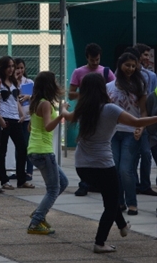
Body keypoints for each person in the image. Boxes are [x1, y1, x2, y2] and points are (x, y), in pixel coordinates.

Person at [65, 72, 157, 253]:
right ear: (102, 89)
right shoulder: (110, 109)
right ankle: (100, 243)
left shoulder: (82, 110)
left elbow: (67, 116)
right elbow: (137, 121)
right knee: (111, 203)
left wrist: (61, 108)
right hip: (103, 165)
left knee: (111, 198)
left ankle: (123, 227)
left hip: (81, 166)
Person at [69, 43, 116, 196]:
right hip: (86, 112)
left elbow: (114, 89)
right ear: (86, 58)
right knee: (85, 141)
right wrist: (88, 95)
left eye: (97, 60)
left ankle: (96, 181)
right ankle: (84, 182)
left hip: (102, 112)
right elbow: (71, 94)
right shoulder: (78, 72)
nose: (95, 63)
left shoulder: (106, 72)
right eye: (91, 60)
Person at [26, 71, 68, 235]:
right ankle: (35, 222)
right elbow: (48, 126)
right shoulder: (46, 105)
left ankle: (39, 212)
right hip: (43, 151)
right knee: (53, 189)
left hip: (35, 149)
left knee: (62, 182)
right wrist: (62, 114)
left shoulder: (35, 102)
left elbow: (32, 127)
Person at [106, 52, 147, 215]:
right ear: (119, 65)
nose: (130, 68)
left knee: (125, 169)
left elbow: (143, 111)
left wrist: (141, 127)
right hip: (112, 133)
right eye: (127, 65)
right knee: (114, 167)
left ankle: (132, 203)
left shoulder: (139, 85)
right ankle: (119, 202)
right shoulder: (109, 86)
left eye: (133, 65)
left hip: (131, 132)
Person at [0, 56, 32, 190]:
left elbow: (15, 100)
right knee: (2, 150)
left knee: (22, 148)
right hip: (3, 118)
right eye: (8, 66)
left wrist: (22, 114)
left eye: (13, 66)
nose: (11, 69)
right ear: (3, 67)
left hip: (15, 118)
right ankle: (4, 180)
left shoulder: (14, 81)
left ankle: (21, 179)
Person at [132, 44, 157, 196]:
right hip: (132, 119)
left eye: (149, 55)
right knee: (133, 155)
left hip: (146, 119)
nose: (148, 58)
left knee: (146, 154)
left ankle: (145, 185)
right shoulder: (126, 73)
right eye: (146, 55)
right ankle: (135, 184)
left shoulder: (151, 76)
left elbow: (150, 99)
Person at [15, 58, 34, 182]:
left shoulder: (29, 82)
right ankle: (19, 171)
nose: (20, 70)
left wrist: (28, 96)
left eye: (22, 68)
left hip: (27, 117)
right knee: (19, 146)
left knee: (28, 145)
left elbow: (36, 97)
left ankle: (29, 171)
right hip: (16, 117)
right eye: (17, 68)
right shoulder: (10, 83)